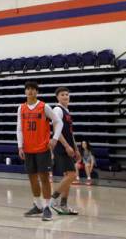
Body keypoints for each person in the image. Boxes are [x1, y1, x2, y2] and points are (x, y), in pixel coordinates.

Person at [17, 81, 63, 222]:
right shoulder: (21, 108)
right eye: (28, 89)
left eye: (33, 89)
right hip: (28, 149)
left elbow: (58, 122)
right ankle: (37, 205)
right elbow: (19, 128)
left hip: (43, 148)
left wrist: (55, 138)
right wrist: (20, 146)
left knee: (44, 178)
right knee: (32, 178)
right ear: (25, 92)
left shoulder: (44, 107)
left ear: (37, 92)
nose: (30, 91)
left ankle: (47, 207)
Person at [50, 87, 79, 215]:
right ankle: (52, 200)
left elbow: (70, 133)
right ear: (57, 97)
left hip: (69, 147)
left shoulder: (67, 111)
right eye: (62, 95)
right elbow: (57, 130)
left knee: (68, 176)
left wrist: (76, 148)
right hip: (62, 147)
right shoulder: (57, 109)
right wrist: (67, 146)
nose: (66, 96)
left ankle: (63, 205)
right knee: (72, 175)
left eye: (67, 94)